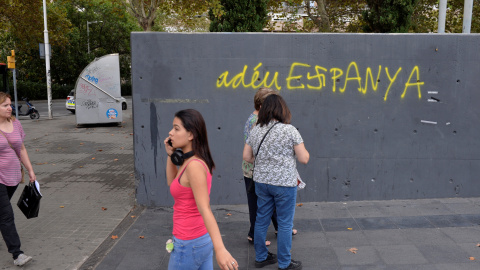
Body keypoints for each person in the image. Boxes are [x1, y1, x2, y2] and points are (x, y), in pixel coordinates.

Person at [164, 109, 238, 270]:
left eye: (176, 128)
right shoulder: (190, 160)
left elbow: (205, 208)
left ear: (190, 135)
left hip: (188, 243)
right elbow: (172, 183)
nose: (170, 133)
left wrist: (220, 249)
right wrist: (171, 156)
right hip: (198, 240)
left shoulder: (194, 166)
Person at [243, 95, 309, 270]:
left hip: (261, 182)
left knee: (261, 219)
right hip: (284, 184)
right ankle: (285, 263)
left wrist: (265, 162)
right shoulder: (290, 130)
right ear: (282, 109)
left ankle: (261, 257)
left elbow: (247, 157)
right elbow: (304, 159)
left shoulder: (256, 130)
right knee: (285, 223)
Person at [243, 88, 298, 247]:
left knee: (267, 202)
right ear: (262, 105)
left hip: (259, 170)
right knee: (257, 206)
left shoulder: (257, 119)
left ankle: (279, 229)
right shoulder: (257, 122)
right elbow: (250, 152)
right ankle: (253, 234)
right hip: (254, 170)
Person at [0, 92, 35, 266]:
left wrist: (30, 170)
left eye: (9, 104)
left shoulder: (16, 123)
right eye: (5, 105)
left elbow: (21, 149)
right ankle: (17, 254)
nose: (9, 107)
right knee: (6, 215)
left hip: (13, 176)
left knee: (1, 213)